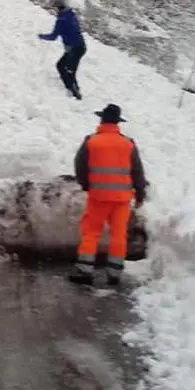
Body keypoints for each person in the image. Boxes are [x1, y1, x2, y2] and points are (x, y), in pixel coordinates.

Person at [69, 104, 147, 286]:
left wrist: (86, 184)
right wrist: (140, 193)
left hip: (99, 197)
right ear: (118, 122)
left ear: (102, 120)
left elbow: (80, 165)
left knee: (92, 233)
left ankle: (84, 270)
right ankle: (114, 272)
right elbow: (137, 171)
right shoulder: (128, 143)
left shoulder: (91, 141)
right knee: (119, 235)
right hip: (122, 199)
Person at [38, 0, 86, 100]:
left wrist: (41, 36)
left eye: (55, 9)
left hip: (74, 49)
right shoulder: (71, 15)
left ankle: (74, 93)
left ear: (58, 9)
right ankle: (73, 88)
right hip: (80, 46)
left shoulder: (61, 21)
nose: (54, 12)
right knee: (63, 66)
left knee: (68, 69)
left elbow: (53, 37)